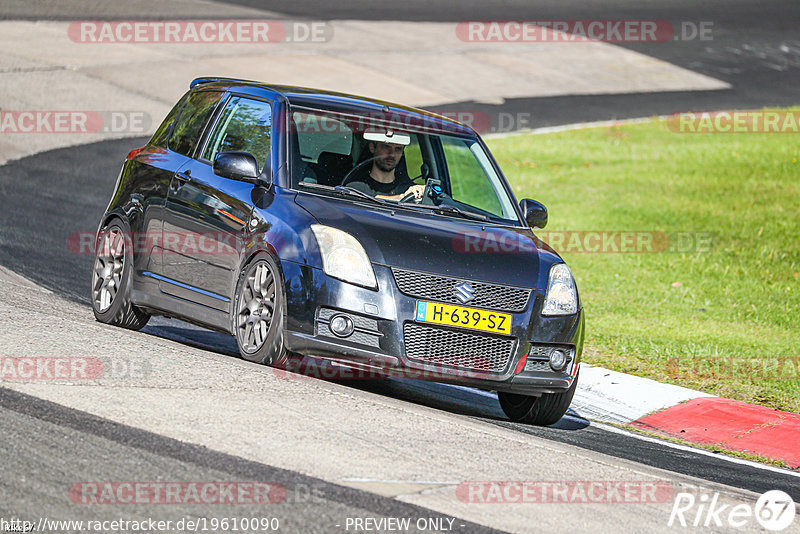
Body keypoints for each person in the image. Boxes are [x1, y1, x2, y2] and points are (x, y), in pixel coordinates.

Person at [346, 139, 425, 201]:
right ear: (372, 148)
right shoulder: (355, 186)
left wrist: (420, 193)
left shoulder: (408, 189)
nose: (392, 154)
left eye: (398, 149)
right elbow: (369, 200)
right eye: (386, 147)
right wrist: (403, 197)